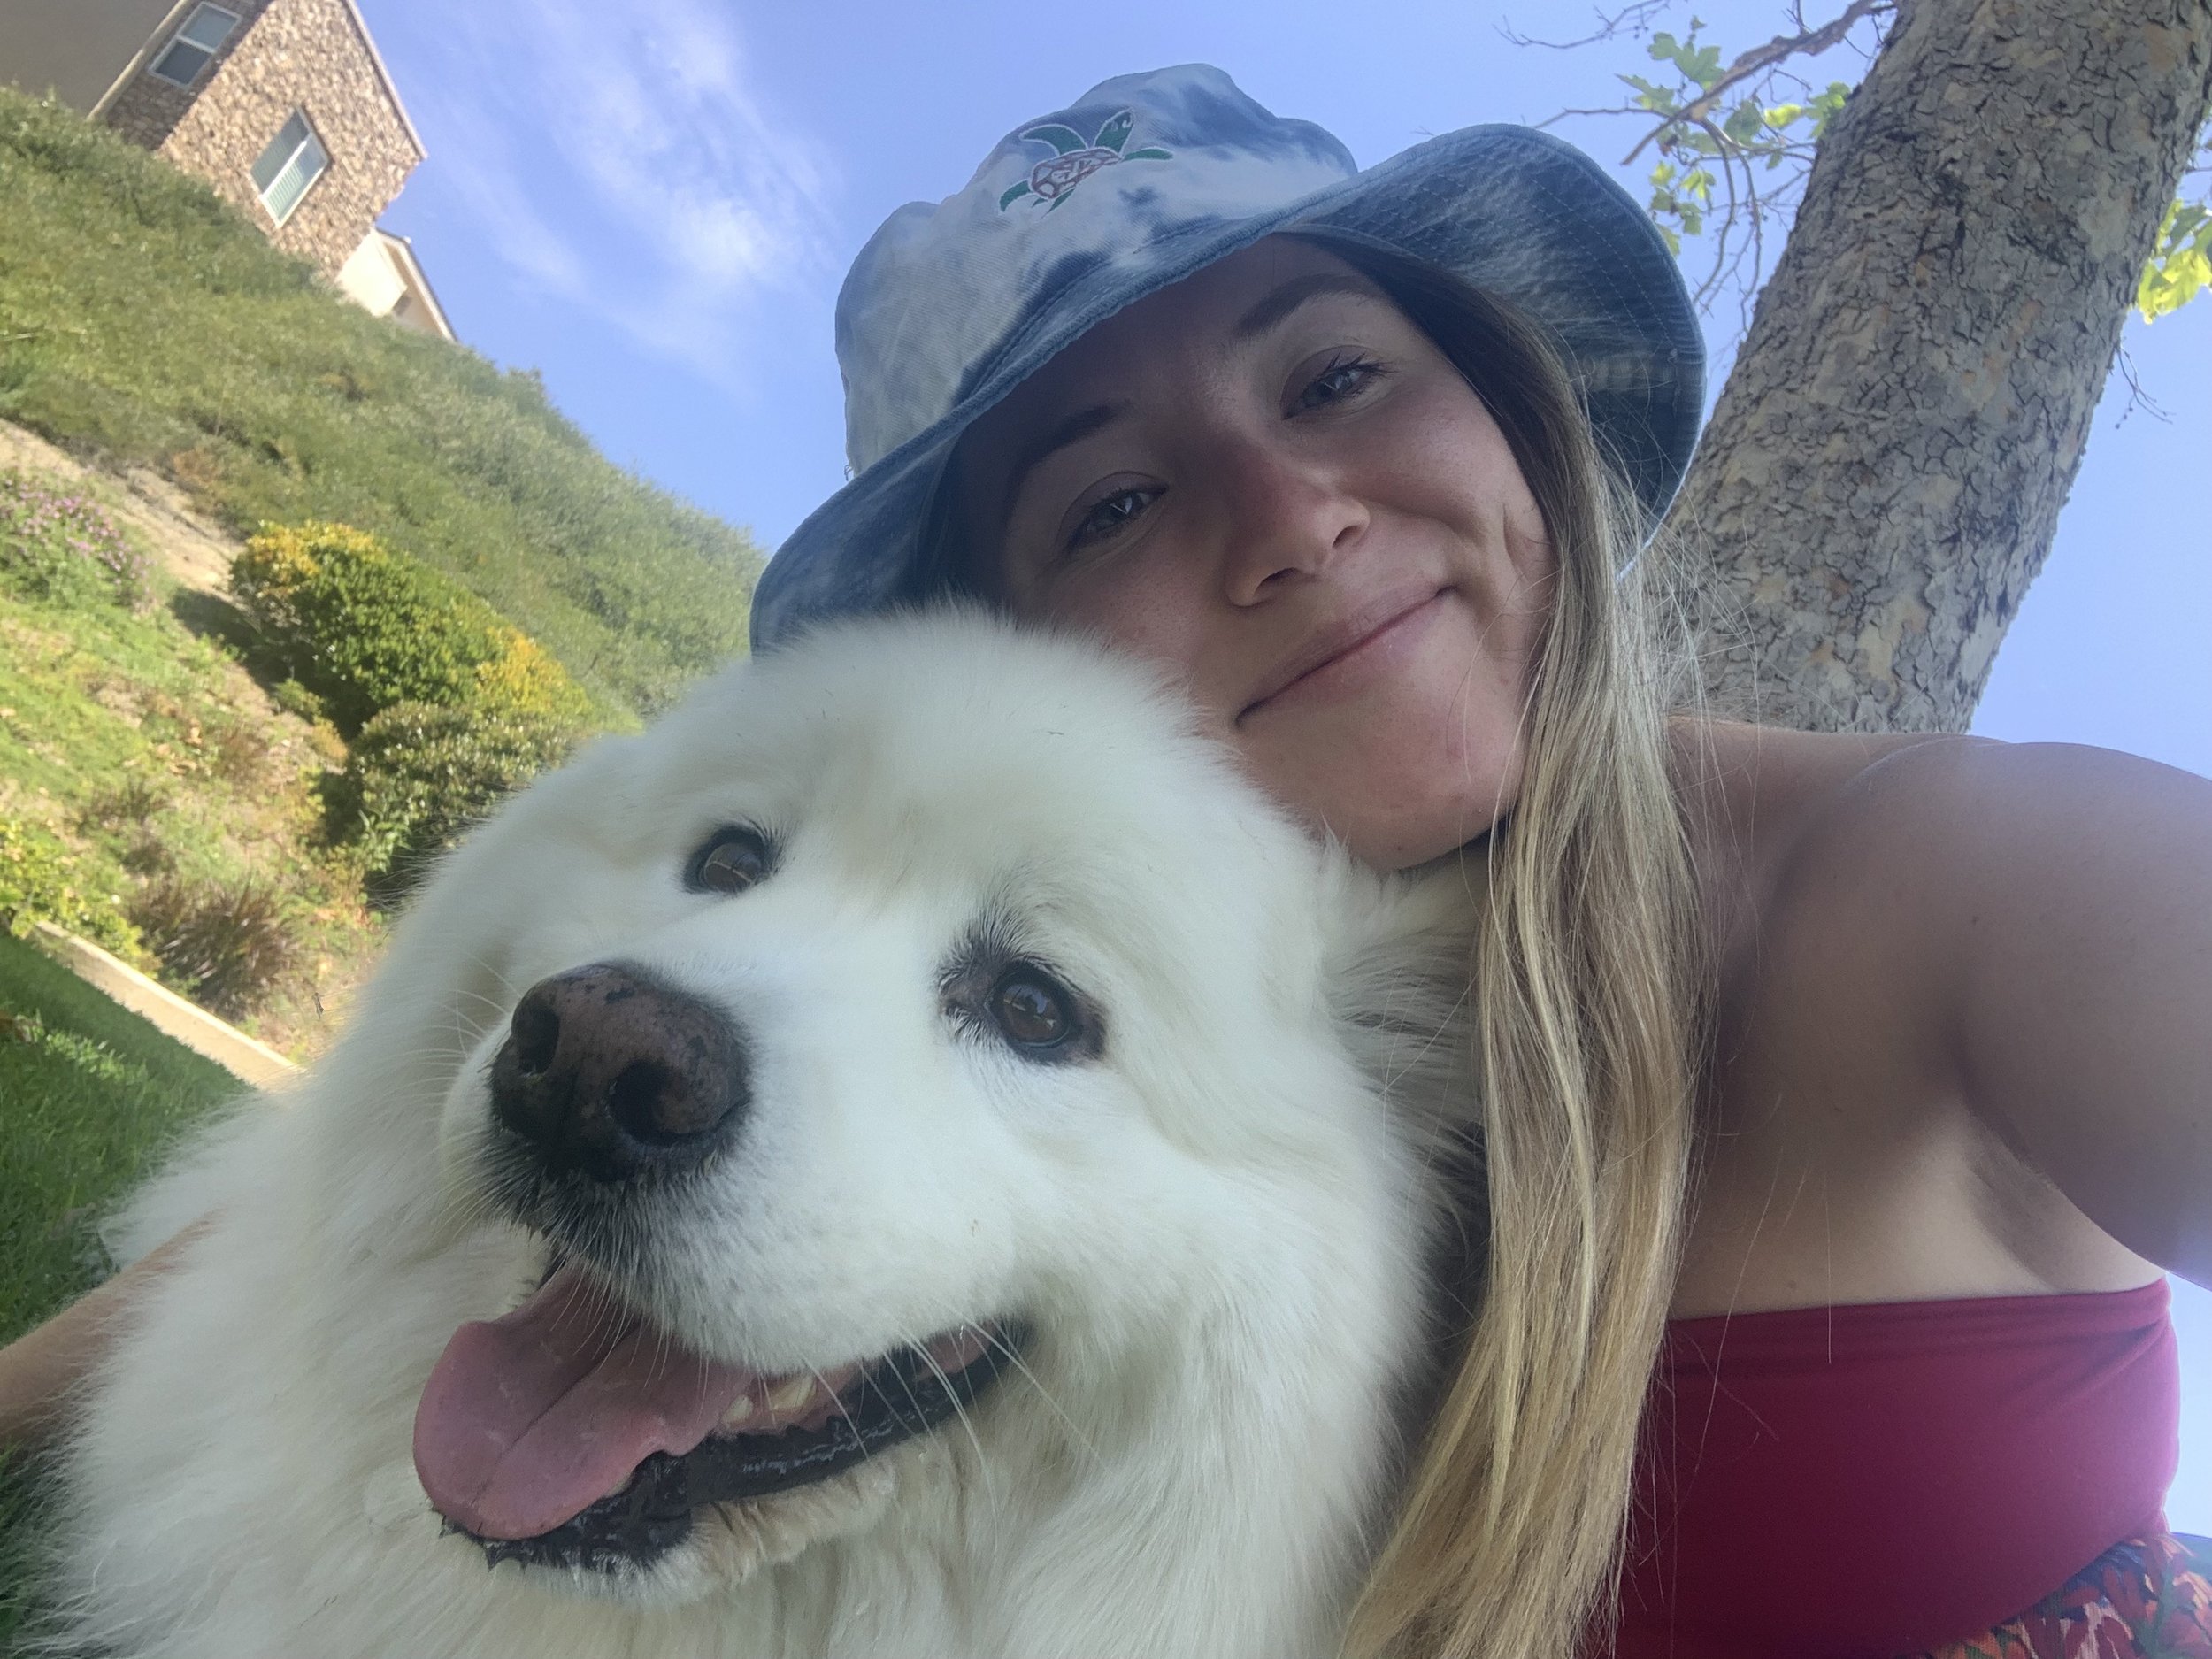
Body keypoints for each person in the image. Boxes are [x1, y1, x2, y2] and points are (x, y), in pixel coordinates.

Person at [4, 63, 2208, 1659]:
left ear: (1507, 408)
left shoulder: (1978, 880)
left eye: (1334, 374)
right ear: (1015, 662)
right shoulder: (1227, 1032)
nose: (1290, 514)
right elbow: (366, 1195)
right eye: (1114, 502)